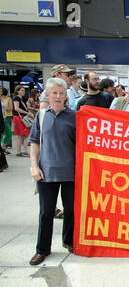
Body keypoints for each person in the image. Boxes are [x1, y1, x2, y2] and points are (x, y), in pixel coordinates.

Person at [28, 77, 76, 265]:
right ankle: (42, 249)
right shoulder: (41, 116)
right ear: (47, 96)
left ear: (66, 96)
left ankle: (68, 241)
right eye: (54, 93)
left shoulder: (74, 117)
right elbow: (34, 143)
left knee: (71, 210)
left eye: (61, 93)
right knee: (46, 212)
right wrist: (34, 166)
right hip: (46, 172)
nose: (58, 96)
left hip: (70, 172)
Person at [12, 85, 33, 157]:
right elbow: (16, 108)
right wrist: (27, 113)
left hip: (22, 117)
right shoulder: (16, 98)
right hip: (19, 117)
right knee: (24, 135)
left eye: (24, 90)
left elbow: (26, 107)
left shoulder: (23, 98)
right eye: (22, 90)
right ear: (17, 91)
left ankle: (20, 151)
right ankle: (22, 151)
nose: (23, 92)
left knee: (23, 135)